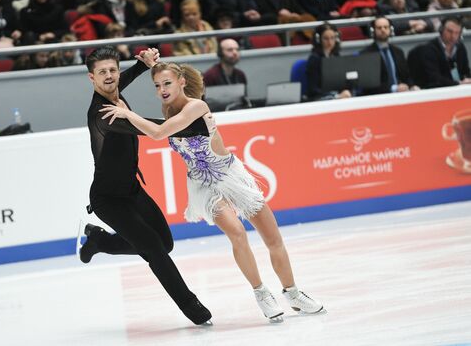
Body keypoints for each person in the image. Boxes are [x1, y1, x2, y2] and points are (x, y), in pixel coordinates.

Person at [100, 61, 324, 321]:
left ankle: (293, 293)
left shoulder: (197, 106)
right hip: (202, 185)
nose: (162, 89)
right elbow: (157, 126)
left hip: (230, 175)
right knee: (237, 233)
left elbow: (160, 132)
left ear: (182, 82)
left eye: (167, 83)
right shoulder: (167, 108)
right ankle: (261, 293)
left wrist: (128, 114)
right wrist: (127, 104)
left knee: (272, 238)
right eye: (157, 85)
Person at [77, 46, 213, 326]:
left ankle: (99, 241)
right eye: (102, 72)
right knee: (153, 247)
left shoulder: (113, 89)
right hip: (108, 199)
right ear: (91, 78)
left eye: (113, 70)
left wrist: (141, 65)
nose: (110, 76)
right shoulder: (104, 113)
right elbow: (154, 130)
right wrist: (193, 126)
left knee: (165, 243)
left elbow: (119, 83)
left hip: (131, 190)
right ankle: (192, 307)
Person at [360, 17, 419, 95]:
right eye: (379, 28)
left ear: (391, 30)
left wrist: (412, 86)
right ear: (373, 31)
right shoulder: (366, 54)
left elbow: (406, 76)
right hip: (379, 97)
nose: (383, 30)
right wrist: (394, 88)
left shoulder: (398, 52)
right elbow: (369, 85)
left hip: (402, 94)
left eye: (386, 27)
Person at [411, 17, 471, 88]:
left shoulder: (460, 47)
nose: (453, 36)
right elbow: (434, 78)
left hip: (458, 88)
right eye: (450, 31)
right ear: (441, 30)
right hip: (437, 90)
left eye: (457, 33)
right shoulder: (428, 49)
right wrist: (458, 83)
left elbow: (466, 71)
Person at [306, 23, 352, 101]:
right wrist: (335, 96)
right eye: (326, 38)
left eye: (332, 38)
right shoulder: (314, 59)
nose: (330, 42)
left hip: (337, 96)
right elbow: (313, 89)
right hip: (320, 98)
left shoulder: (337, 56)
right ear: (318, 39)